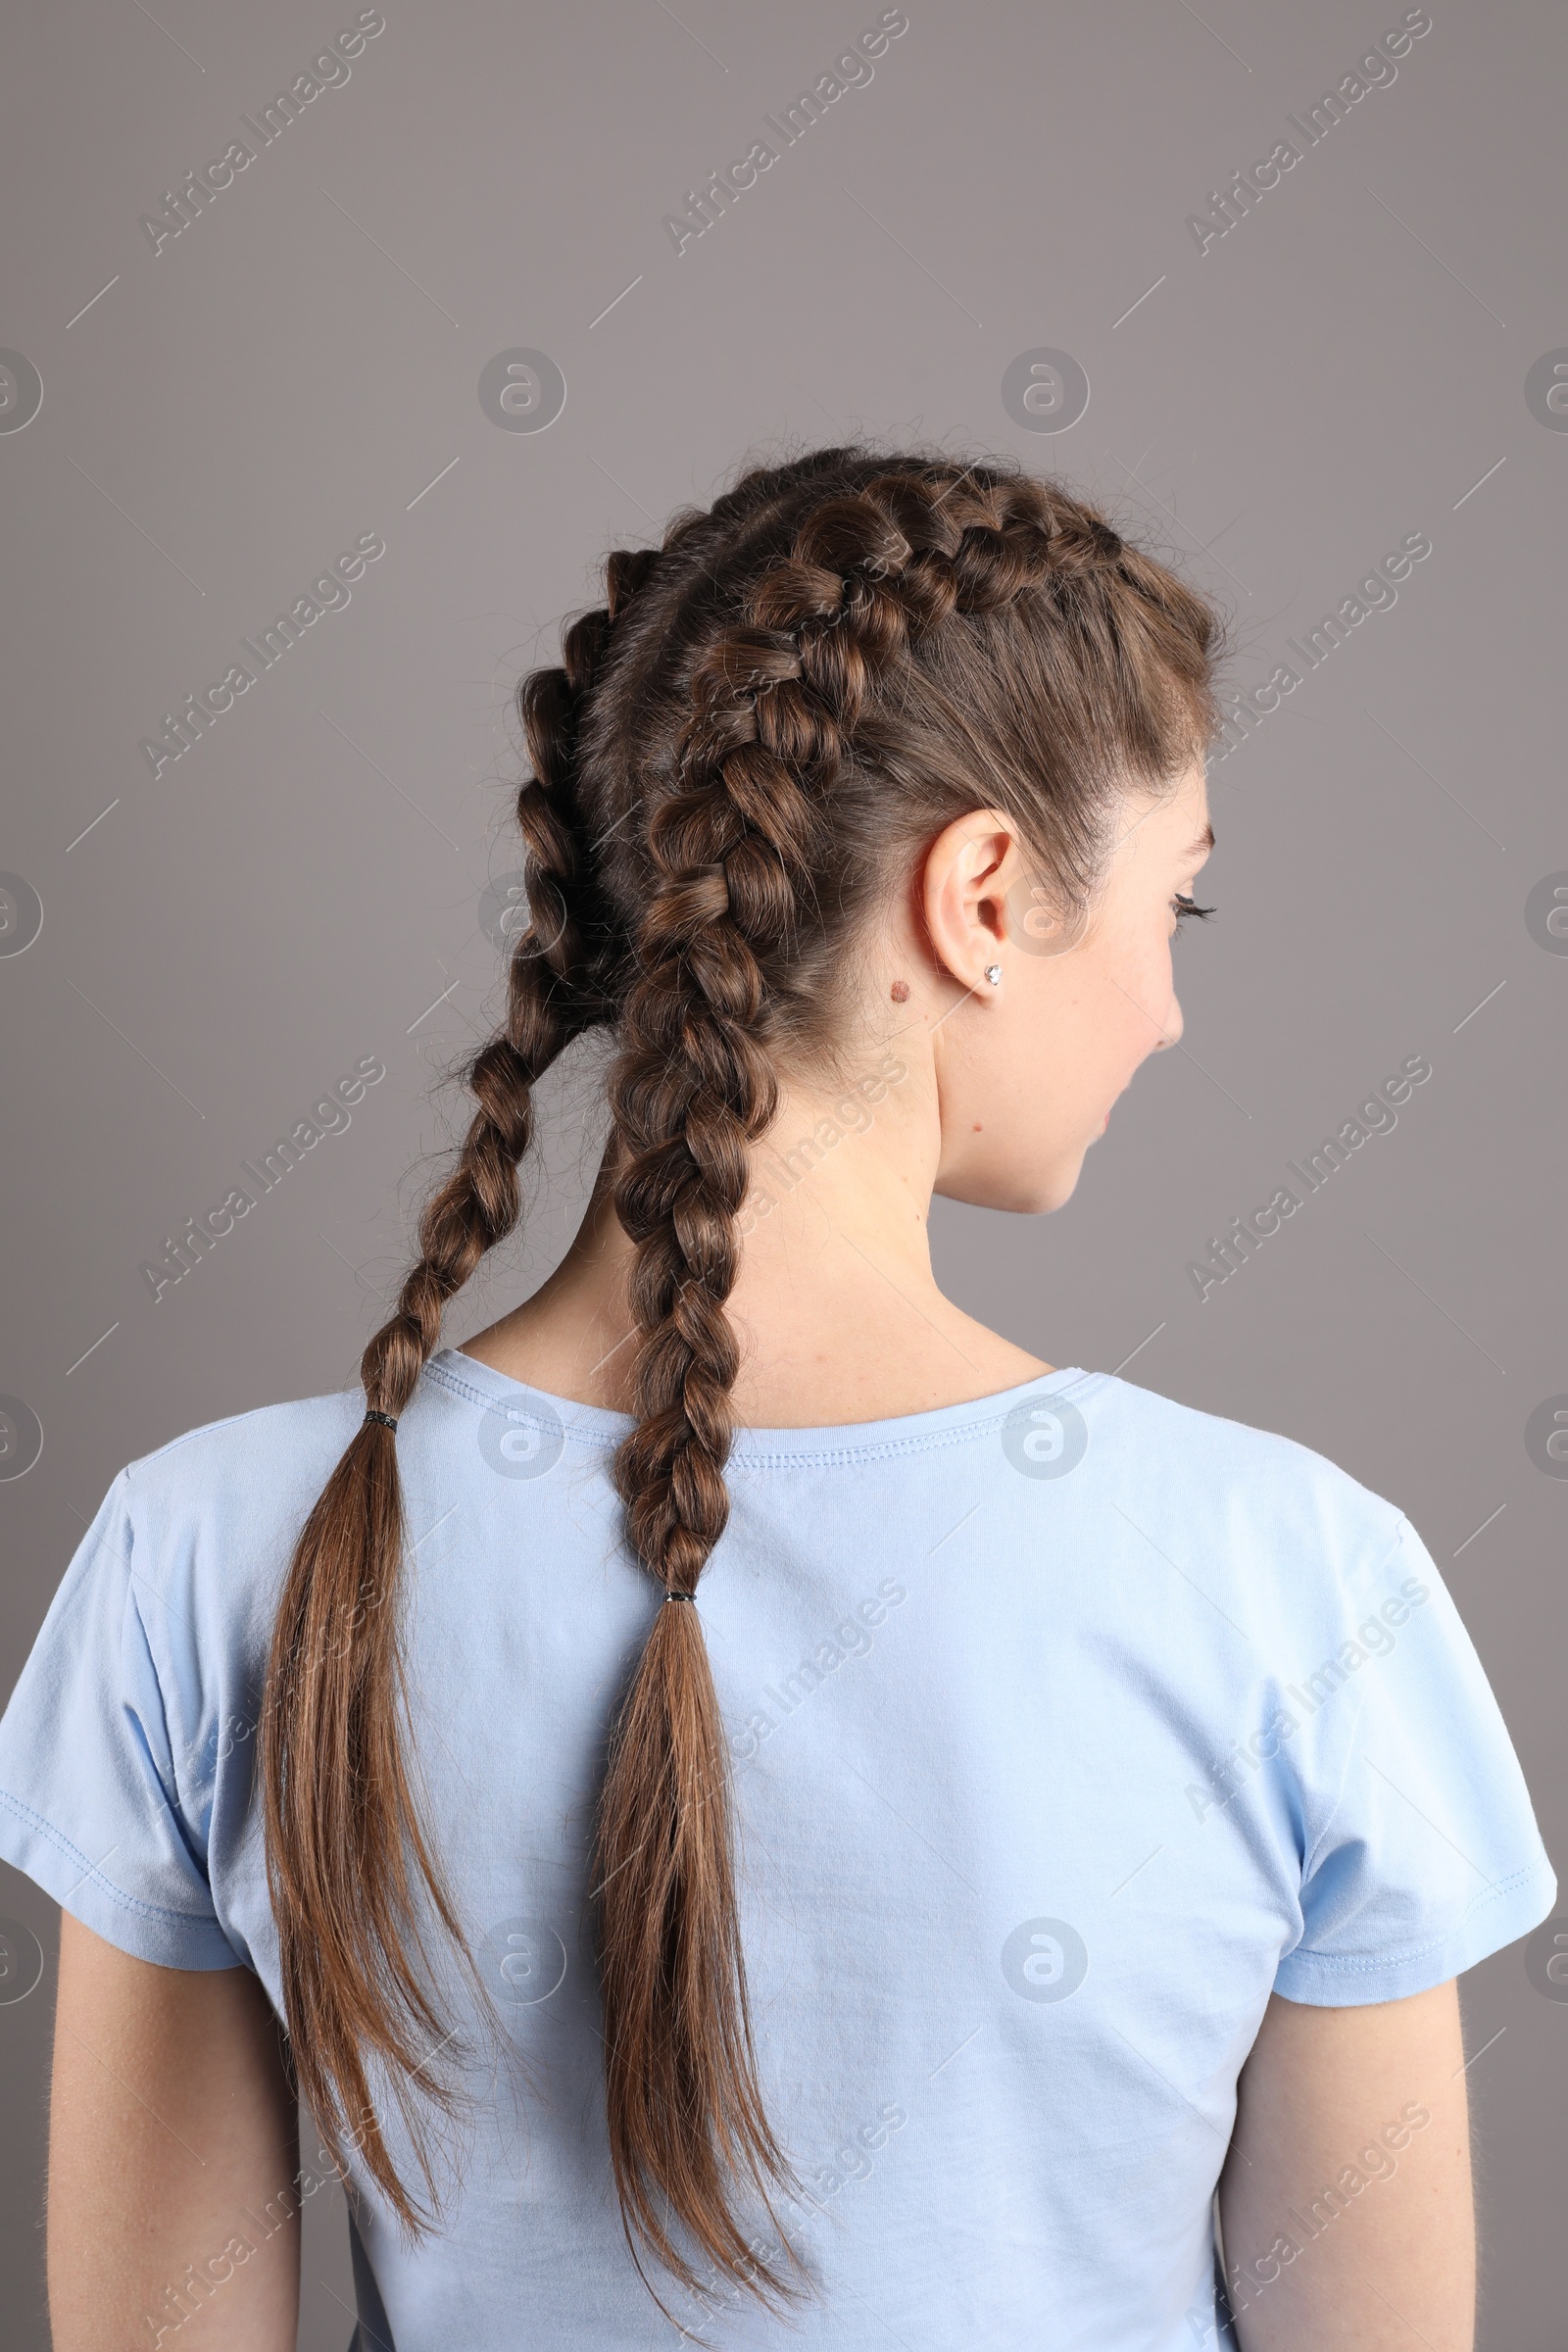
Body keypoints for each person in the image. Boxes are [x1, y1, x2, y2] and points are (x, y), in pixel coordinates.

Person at [0, 448, 1552, 2352]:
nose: (1163, 1011)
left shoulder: (209, 1558)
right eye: (1177, 913)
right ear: (979, 895)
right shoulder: (1298, 1585)